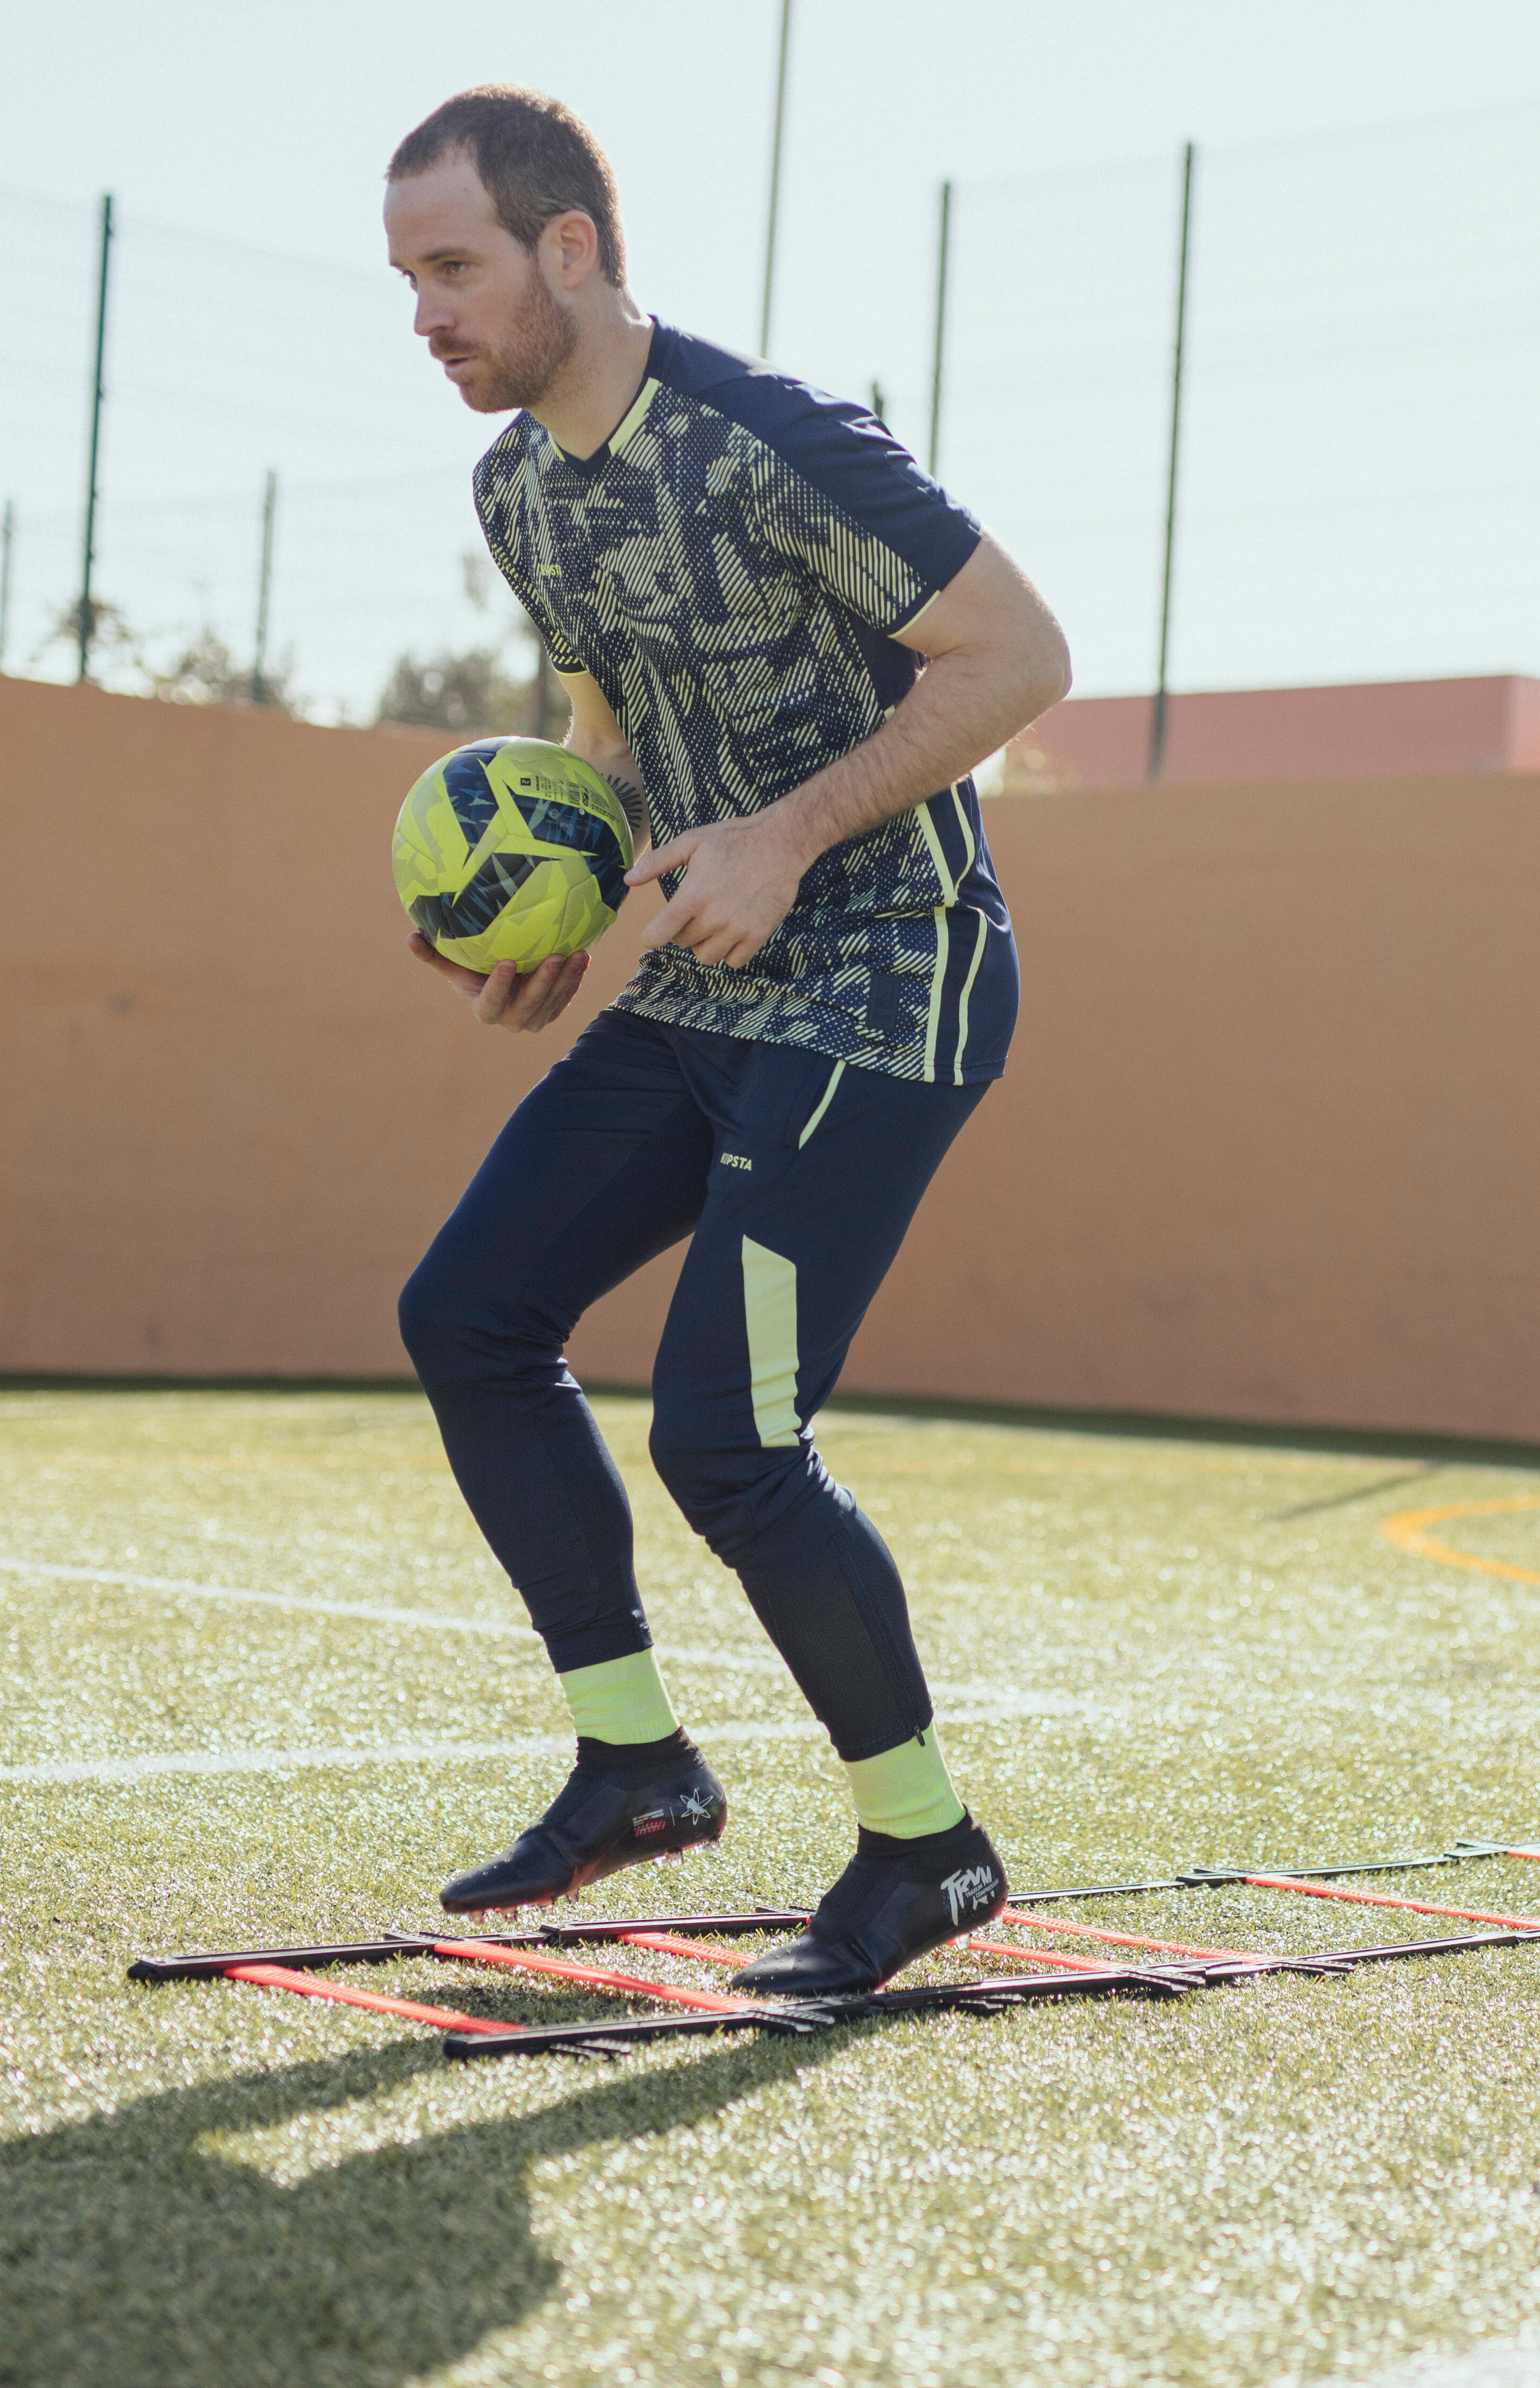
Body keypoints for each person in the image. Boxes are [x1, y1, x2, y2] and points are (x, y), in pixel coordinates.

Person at [377, 87, 1072, 1995]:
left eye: (454, 269)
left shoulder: (781, 442)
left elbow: (1023, 655)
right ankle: (637, 1765)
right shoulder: (517, 485)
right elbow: (610, 710)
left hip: (891, 974)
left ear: (568, 252)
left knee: (729, 1435)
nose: (425, 314)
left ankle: (928, 1850)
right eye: (407, 279)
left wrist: (783, 835)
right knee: (470, 1315)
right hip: (704, 983)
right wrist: (565, 893)